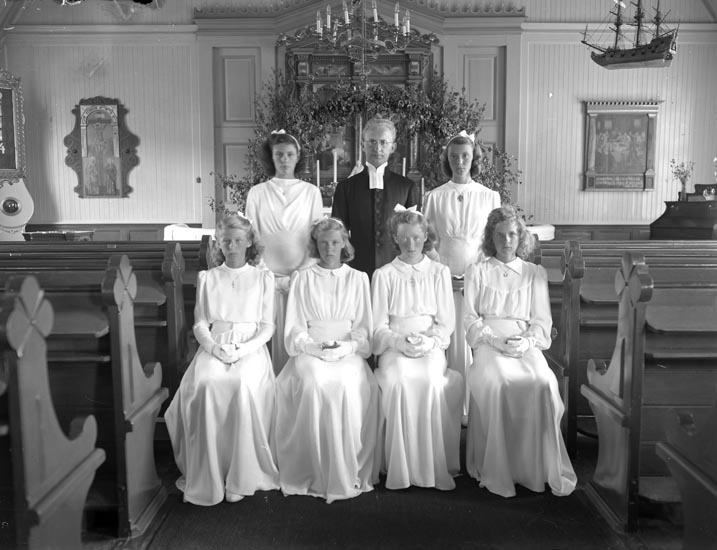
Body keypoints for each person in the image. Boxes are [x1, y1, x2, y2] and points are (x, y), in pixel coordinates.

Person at [164, 214, 279, 506]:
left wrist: (243, 349)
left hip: (250, 347)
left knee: (242, 384)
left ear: (249, 242)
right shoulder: (208, 277)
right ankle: (210, 474)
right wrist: (214, 348)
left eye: (238, 240)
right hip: (216, 344)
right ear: (219, 243)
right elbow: (201, 323)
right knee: (206, 383)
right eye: (226, 241)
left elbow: (268, 327)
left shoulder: (263, 278)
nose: (232, 246)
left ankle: (241, 475)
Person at [463, 205, 576, 498]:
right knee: (501, 382)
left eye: (512, 234)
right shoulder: (477, 271)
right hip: (489, 343)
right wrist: (494, 340)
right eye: (500, 235)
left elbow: (541, 321)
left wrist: (526, 342)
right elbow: (470, 319)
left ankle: (534, 469)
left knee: (543, 382)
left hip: (524, 341)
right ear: (491, 238)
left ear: (520, 237)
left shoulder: (534, 273)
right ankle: (502, 469)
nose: (507, 241)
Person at [276, 218, 380, 502]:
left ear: (344, 243)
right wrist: (312, 347)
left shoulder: (358, 278)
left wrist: (346, 347)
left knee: (346, 383)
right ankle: (315, 470)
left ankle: (346, 470)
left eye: (335, 242)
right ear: (315, 245)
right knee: (313, 382)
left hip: (348, 351)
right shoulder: (302, 278)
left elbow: (363, 329)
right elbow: (295, 327)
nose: (329, 248)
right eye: (323, 243)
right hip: (311, 349)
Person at [371, 209, 463, 490]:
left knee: (431, 381)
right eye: (404, 238)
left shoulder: (439, 272)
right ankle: (401, 466)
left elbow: (446, 323)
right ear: (395, 239)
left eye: (416, 237)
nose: (410, 244)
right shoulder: (384, 275)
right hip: (394, 347)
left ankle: (430, 465)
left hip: (429, 345)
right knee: (398, 380)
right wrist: (397, 342)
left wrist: (430, 342)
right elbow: (378, 326)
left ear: (425, 238)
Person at [423, 131, 501, 420]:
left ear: (474, 158)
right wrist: (444, 272)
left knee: (475, 341)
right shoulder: (434, 197)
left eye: (465, 156)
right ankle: (451, 410)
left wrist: (473, 276)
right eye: (454, 156)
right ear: (447, 159)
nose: (459, 161)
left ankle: (475, 409)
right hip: (443, 279)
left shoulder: (489, 196)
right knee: (447, 339)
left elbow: (493, 241)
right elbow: (427, 241)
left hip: (477, 281)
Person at [246, 130, 323, 373]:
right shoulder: (257, 193)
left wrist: (300, 273)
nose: (284, 159)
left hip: (301, 277)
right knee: (268, 334)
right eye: (279, 154)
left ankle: (296, 385)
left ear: (298, 157)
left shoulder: (311, 192)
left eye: (290, 154)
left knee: (299, 335)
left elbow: (316, 236)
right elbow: (252, 236)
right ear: (271, 157)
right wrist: (267, 274)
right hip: (266, 277)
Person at [332, 117, 418, 278]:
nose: (377, 148)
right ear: (362, 145)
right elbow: (337, 232)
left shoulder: (406, 187)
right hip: (357, 269)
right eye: (372, 142)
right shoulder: (346, 188)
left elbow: (414, 234)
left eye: (383, 142)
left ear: (393, 147)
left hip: (397, 270)